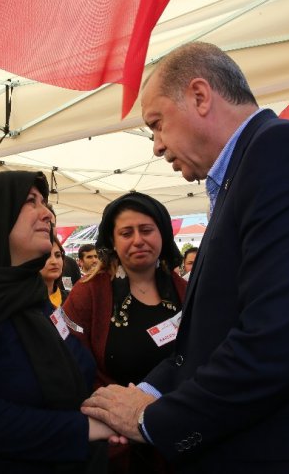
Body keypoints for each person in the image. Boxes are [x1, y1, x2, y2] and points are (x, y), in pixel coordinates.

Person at [82, 41, 289, 473]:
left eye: (157, 124)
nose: (155, 146)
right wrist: (149, 393)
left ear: (199, 95)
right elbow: (208, 337)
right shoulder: (249, 170)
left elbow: (276, 345)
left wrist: (150, 419)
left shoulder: (285, 157)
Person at [0, 171, 112, 473]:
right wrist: (85, 428)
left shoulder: (33, 295)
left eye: (45, 202)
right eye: (30, 201)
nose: (47, 213)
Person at [63, 192, 186, 473]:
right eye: (126, 233)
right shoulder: (89, 293)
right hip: (114, 442)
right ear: (113, 242)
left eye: (146, 230)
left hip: (174, 435)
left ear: (163, 235)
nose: (138, 240)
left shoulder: (185, 292)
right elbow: (68, 361)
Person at [40, 237, 68, 308]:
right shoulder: (22, 303)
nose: (54, 262)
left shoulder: (70, 298)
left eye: (58, 255)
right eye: (46, 256)